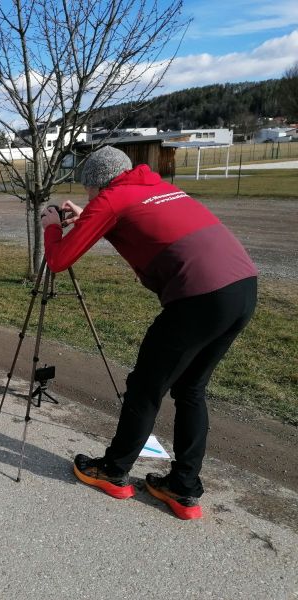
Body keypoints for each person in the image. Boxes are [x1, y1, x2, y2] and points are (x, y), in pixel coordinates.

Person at [41, 146, 257, 520]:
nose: (91, 198)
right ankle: (183, 487)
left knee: (145, 386)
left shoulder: (110, 197)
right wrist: (90, 217)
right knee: (190, 388)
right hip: (242, 288)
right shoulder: (155, 187)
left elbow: (59, 261)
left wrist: (50, 227)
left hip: (197, 298)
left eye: (90, 191)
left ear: (97, 183)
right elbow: (139, 226)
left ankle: (113, 471)